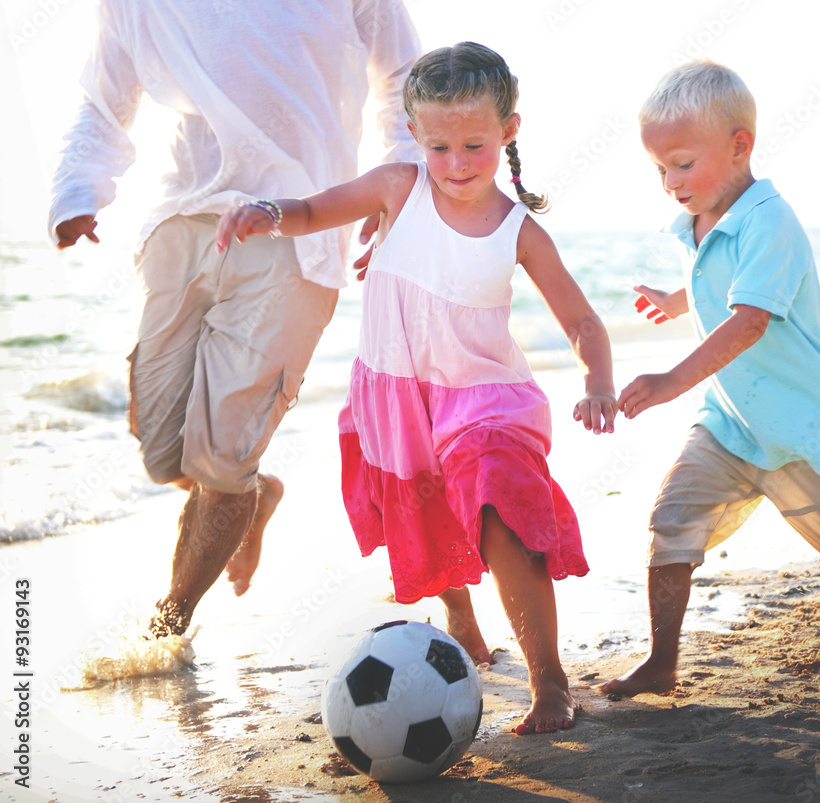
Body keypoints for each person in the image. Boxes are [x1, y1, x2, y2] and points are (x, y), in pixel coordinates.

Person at [217, 41, 617, 734]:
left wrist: (599, 379)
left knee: (499, 508)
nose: (457, 164)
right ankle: (461, 614)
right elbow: (314, 209)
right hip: (397, 394)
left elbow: (581, 317)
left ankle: (551, 683)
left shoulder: (517, 230)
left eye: (474, 145)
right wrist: (269, 211)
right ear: (416, 138)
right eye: (440, 147)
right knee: (431, 513)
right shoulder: (397, 188)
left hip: (485, 398)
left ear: (508, 132)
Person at [48, 0, 424, 637]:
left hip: (298, 224)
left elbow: (405, 77)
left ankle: (168, 625)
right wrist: (78, 189)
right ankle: (257, 493)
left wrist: (401, 183)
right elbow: (106, 99)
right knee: (163, 454)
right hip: (179, 220)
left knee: (220, 465)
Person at [601, 60, 820, 698]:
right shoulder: (701, 219)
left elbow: (750, 320)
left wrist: (671, 380)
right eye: (659, 170)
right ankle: (662, 661)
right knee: (671, 519)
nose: (669, 182)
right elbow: (721, 279)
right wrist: (675, 301)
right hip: (729, 424)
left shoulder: (770, 220)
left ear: (739, 147)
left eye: (680, 163)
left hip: (802, 427)